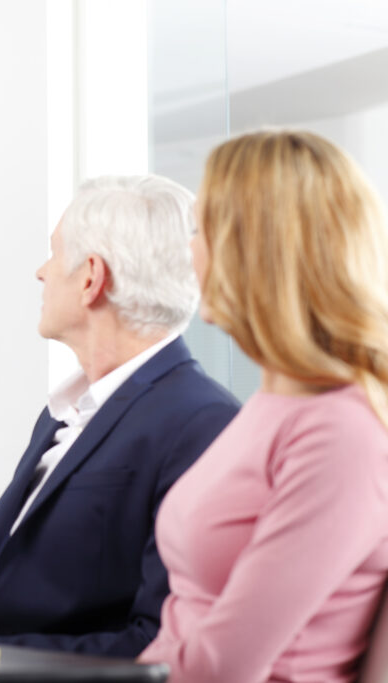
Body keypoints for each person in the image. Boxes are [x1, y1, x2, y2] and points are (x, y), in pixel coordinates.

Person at [0, 175, 239, 656]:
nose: (41, 272)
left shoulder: (203, 424)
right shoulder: (63, 413)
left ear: (90, 277)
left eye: (54, 254)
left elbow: (158, 643)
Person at [138, 131, 388, 681]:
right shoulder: (272, 402)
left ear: (252, 250)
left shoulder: (340, 432)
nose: (191, 251)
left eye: (200, 231)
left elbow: (223, 665)